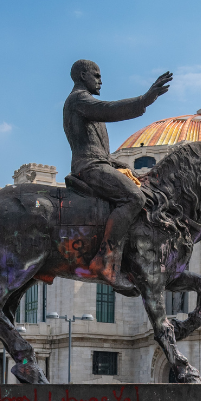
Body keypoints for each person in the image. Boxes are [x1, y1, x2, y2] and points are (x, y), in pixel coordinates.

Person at [63, 59, 172, 290]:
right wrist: (145, 99)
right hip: (90, 167)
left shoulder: (83, 103)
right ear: (83, 75)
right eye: (97, 75)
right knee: (135, 198)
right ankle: (105, 259)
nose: (101, 80)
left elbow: (101, 152)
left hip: (98, 163)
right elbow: (110, 110)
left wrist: (128, 168)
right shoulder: (79, 100)